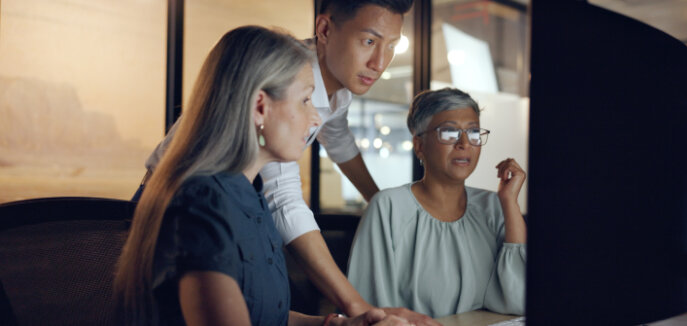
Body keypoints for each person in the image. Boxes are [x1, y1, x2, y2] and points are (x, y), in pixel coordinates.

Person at [136, 1, 435, 324]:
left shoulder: (334, 89)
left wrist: (382, 204)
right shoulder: (285, 74)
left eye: (391, 46)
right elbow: (285, 201)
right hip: (175, 207)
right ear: (324, 30)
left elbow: (337, 139)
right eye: (369, 41)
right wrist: (359, 308)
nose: (380, 63)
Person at [347, 88, 527, 318]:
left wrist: (510, 203)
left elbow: (520, 300)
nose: (464, 143)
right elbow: (372, 311)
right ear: (419, 145)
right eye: (450, 132)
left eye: (473, 132)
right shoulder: (389, 207)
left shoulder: (494, 206)